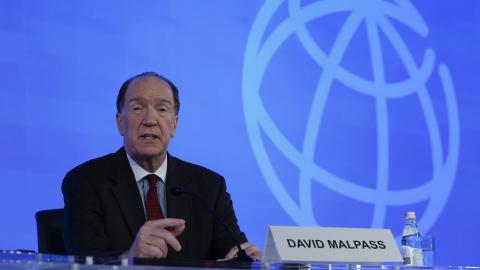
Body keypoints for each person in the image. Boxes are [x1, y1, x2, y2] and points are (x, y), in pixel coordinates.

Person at [62, 72, 261, 260]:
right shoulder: (86, 181)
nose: (150, 120)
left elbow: (231, 250)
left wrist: (241, 258)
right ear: (120, 123)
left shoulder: (209, 186)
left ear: (174, 125)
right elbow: (82, 261)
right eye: (137, 108)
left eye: (162, 109)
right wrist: (129, 259)